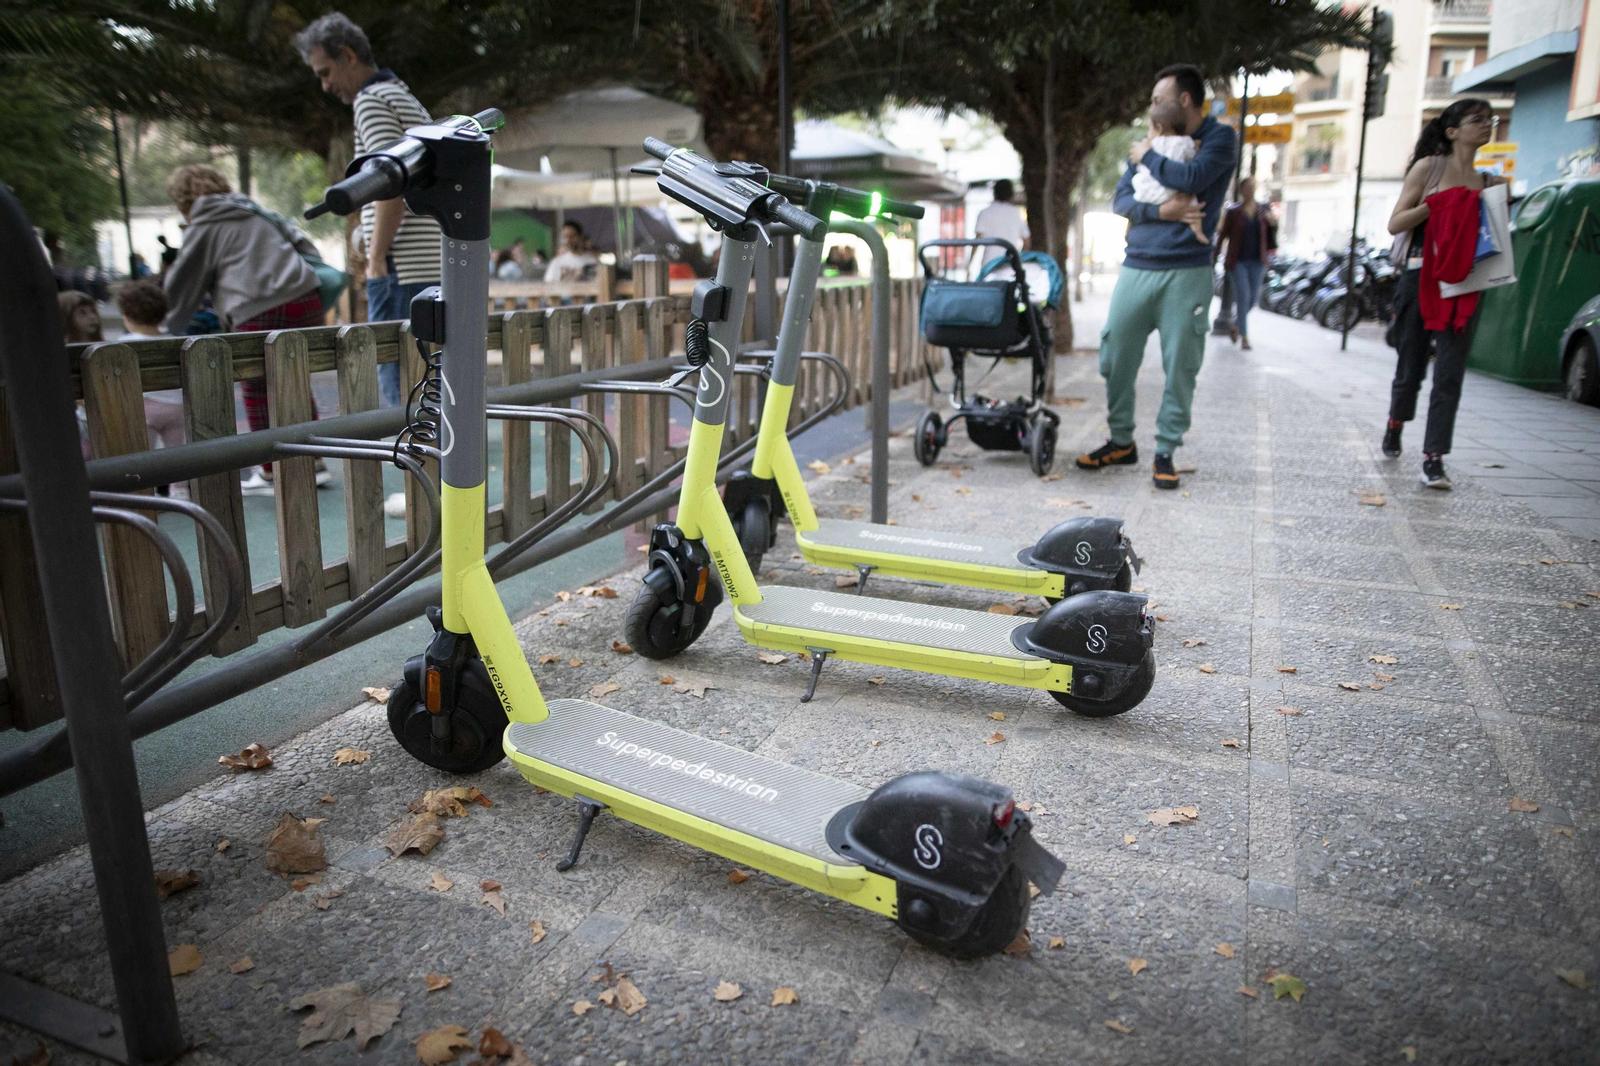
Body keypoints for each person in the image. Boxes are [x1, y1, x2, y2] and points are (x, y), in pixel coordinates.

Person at [1076, 63, 1236, 491]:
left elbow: (1195, 177)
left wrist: (1146, 156)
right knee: (1115, 353)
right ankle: (1121, 441)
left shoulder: (1219, 138)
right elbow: (1122, 201)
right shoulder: (1151, 141)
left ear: (1184, 100)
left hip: (1188, 269)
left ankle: (1165, 450)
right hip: (1138, 264)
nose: (1152, 106)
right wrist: (1161, 211)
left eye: (1157, 99)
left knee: (1181, 363)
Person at [296, 12, 441, 409]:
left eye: (326, 72)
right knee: (434, 393)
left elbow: (388, 182)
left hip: (403, 268)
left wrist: (376, 260)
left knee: (403, 396)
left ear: (348, 55)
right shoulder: (400, 94)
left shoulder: (371, 100)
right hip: (430, 264)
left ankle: (421, 473)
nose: (326, 86)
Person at [160, 163, 330, 495]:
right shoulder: (256, 212)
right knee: (295, 376)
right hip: (305, 297)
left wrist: (167, 324)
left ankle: (268, 470)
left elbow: (185, 282)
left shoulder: (204, 224)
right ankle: (316, 461)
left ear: (182, 200)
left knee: (255, 385)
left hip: (256, 306)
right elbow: (306, 247)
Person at [1382, 98, 1505, 490]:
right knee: (1411, 367)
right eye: (1477, 120)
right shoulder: (1428, 168)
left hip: (1466, 284)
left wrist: (1499, 203)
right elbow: (1395, 223)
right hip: (1421, 278)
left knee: (1450, 374)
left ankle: (1434, 458)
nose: (1486, 125)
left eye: (1490, 120)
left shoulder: (1489, 183)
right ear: (1452, 131)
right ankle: (1395, 422)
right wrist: (1434, 207)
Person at [116, 280, 188, 498]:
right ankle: (180, 490)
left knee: (142, 454)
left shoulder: (124, 343)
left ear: (127, 317)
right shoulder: (173, 341)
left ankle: (146, 491)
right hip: (175, 407)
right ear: (164, 313)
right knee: (175, 452)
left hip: (143, 408)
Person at [1131, 99, 1208, 246]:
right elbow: (1192, 158)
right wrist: (1196, 147)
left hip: (1148, 191)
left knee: (1135, 204)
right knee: (1193, 205)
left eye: (1149, 128)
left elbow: (1137, 158)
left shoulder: (1150, 144)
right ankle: (1197, 231)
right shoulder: (1185, 141)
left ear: (1158, 128)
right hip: (1174, 193)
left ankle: (1129, 226)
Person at [1213, 176, 1276, 350]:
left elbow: (1271, 234)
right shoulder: (1234, 212)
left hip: (1258, 260)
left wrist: (1272, 223)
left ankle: (1235, 324)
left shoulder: (1263, 209)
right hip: (1237, 260)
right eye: (1247, 187)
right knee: (1243, 296)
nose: (1251, 190)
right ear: (1241, 190)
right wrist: (1215, 255)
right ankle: (1245, 337)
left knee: (1253, 298)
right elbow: (1223, 235)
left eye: (1253, 187)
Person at [973, 179, 1029, 266]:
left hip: (989, 264)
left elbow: (977, 240)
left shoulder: (985, 213)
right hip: (1010, 265)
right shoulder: (1016, 213)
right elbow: (1027, 241)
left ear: (994, 194)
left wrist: (970, 263)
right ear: (1011, 195)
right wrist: (1018, 261)